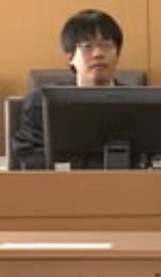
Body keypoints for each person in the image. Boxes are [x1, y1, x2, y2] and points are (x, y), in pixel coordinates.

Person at [10, 9, 125, 170]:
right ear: (70, 57)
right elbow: (28, 156)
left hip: (124, 183)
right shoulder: (41, 102)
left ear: (117, 54)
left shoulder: (140, 103)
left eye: (106, 45)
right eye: (87, 46)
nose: (98, 54)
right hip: (58, 183)